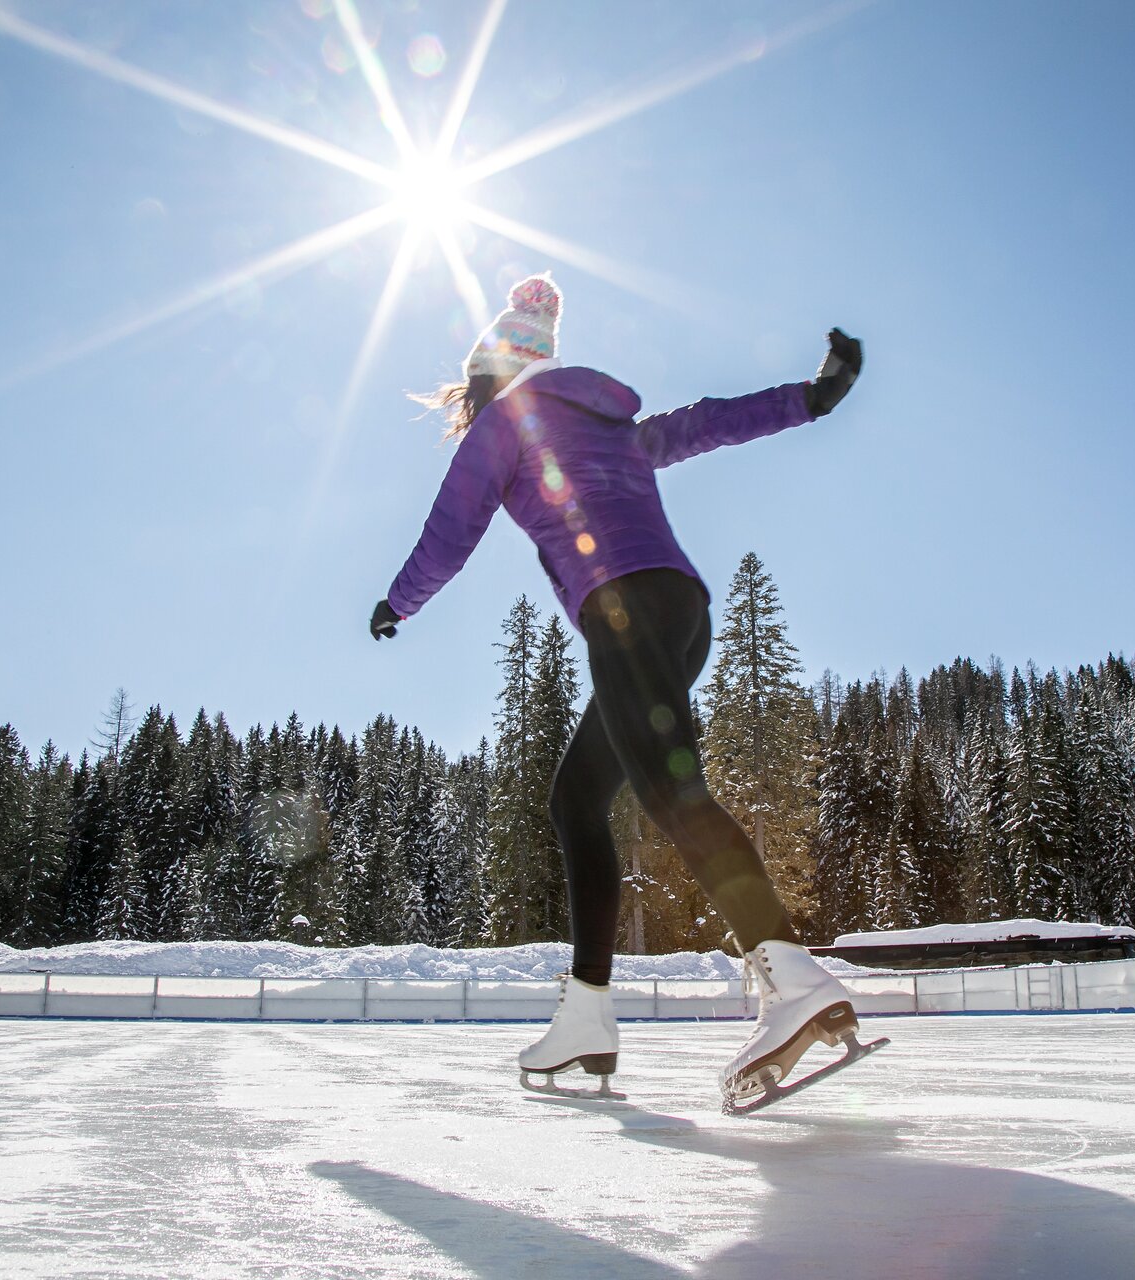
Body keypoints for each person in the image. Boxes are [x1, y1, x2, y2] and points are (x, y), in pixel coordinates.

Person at [371, 273, 871, 1110]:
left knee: (675, 796)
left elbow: (452, 531)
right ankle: (587, 1017)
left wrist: (398, 602)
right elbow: (709, 423)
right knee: (576, 801)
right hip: (680, 613)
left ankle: (792, 979)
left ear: (489, 375)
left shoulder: (502, 424)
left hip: (624, 610)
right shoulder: (613, 426)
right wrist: (811, 398)